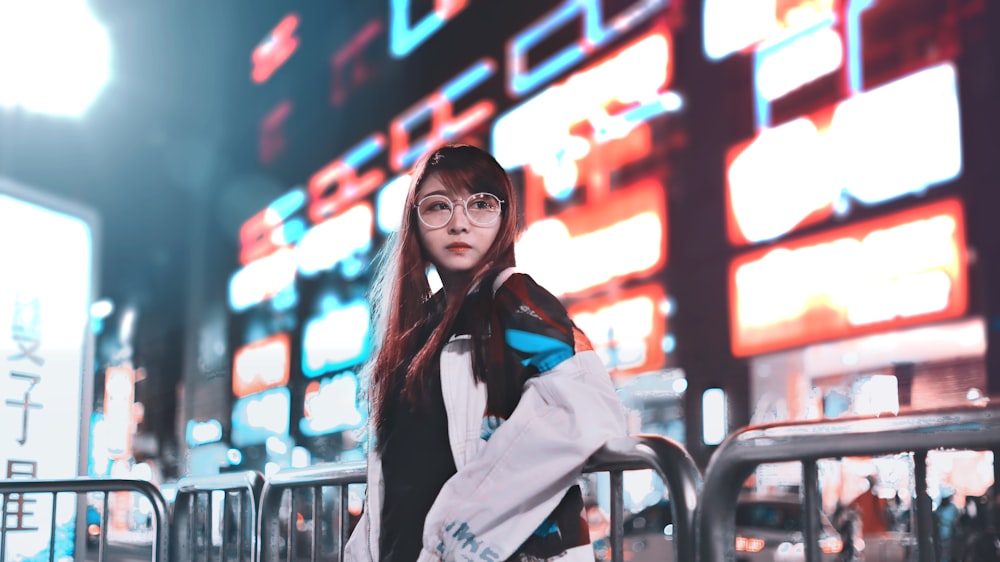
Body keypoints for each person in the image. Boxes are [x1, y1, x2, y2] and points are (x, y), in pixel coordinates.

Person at [344, 144, 627, 561]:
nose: (459, 223)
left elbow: (586, 408)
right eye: (438, 207)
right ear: (415, 225)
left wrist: (452, 533)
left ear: (503, 217)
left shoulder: (516, 300)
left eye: (480, 204)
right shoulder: (414, 332)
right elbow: (393, 477)